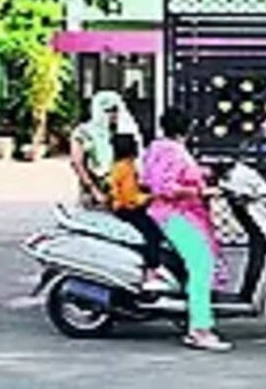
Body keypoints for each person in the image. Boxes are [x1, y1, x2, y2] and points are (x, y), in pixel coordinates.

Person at [142, 107, 233, 352]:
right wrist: (200, 191)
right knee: (201, 263)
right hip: (173, 214)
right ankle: (199, 330)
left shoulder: (159, 147)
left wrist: (207, 173)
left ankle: (193, 311)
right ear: (188, 128)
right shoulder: (172, 150)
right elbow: (165, 186)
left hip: (173, 213)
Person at [109, 134, 172, 292]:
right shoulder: (126, 167)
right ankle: (152, 271)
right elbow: (131, 198)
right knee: (153, 235)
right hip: (128, 210)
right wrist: (154, 196)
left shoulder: (120, 165)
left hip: (123, 207)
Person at [69, 90, 143, 209]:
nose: (113, 114)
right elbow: (77, 163)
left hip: (121, 187)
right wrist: (94, 190)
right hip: (95, 187)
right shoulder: (83, 132)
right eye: (108, 110)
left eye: (116, 110)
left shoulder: (122, 130)